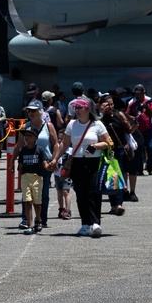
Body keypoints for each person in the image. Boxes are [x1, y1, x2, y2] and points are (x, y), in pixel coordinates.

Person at [59, 97, 111, 238]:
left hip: (93, 163)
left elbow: (108, 143)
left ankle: (95, 222)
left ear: (88, 109)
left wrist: (95, 146)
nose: (77, 110)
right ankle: (85, 224)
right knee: (80, 194)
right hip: (77, 163)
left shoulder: (97, 124)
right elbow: (64, 144)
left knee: (93, 192)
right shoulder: (71, 124)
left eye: (80, 107)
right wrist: (54, 159)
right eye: (76, 107)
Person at [11, 98, 60, 227]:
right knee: (27, 193)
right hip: (28, 163)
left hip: (44, 164)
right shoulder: (25, 127)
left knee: (43, 193)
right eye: (28, 111)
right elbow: (19, 145)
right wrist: (12, 161)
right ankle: (26, 219)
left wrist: (54, 160)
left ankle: (41, 219)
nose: (30, 113)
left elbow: (55, 144)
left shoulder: (48, 126)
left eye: (33, 110)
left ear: (40, 111)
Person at [14, 127, 46, 234]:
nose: (27, 138)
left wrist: (50, 166)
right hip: (25, 177)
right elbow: (21, 165)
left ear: (35, 138)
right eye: (26, 136)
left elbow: (44, 163)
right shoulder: (23, 150)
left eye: (30, 136)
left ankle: (38, 219)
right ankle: (30, 224)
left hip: (37, 177)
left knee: (37, 202)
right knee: (27, 201)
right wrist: (19, 176)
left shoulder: (40, 150)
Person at [126, 84, 152, 175]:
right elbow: (126, 115)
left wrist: (146, 108)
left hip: (148, 129)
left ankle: (150, 167)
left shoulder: (149, 102)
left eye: (138, 94)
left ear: (143, 93)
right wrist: (132, 116)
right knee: (138, 150)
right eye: (135, 94)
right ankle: (139, 169)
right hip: (137, 131)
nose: (137, 96)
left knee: (150, 148)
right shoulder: (132, 104)